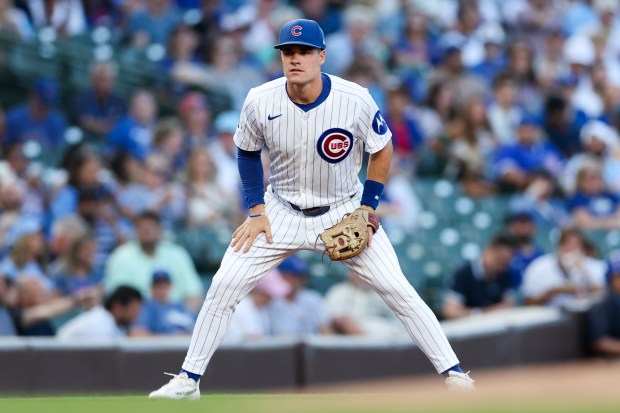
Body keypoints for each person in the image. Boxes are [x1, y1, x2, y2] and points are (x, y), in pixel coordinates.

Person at [148, 19, 475, 400]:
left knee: (398, 289)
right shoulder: (260, 98)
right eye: (288, 52)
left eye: (304, 52)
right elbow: (246, 151)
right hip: (280, 210)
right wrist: (255, 210)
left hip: (342, 208)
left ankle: (455, 375)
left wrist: (368, 208)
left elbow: (382, 148)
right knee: (223, 285)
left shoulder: (355, 99)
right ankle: (189, 380)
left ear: (322, 56)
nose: (295, 58)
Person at [104, 211, 202, 311]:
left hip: (174, 315)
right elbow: (116, 298)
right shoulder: (121, 256)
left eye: (151, 227)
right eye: (142, 227)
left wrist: (181, 317)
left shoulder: (177, 254)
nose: (147, 231)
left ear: (160, 230)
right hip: (136, 318)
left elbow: (194, 295)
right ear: (135, 230)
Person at [521, 228, 606, 307]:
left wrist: (584, 273)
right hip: (550, 317)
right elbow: (527, 302)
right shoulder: (539, 267)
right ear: (559, 246)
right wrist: (549, 294)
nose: (572, 249)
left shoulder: (593, 266)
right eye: (567, 244)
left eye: (576, 245)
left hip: (585, 315)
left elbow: (607, 292)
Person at [442, 234, 518, 319]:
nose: (501, 267)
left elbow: (508, 304)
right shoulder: (464, 273)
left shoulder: (505, 273)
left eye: (505, 263)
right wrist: (482, 313)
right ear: (489, 250)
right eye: (499, 260)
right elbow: (450, 311)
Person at [324, 270, 406, 338]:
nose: (361, 275)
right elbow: (328, 324)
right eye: (356, 271)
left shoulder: (389, 295)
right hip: (353, 346)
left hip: (391, 345)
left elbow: (402, 328)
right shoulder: (338, 292)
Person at [269, 255, 332, 336]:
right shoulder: (270, 300)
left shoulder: (312, 298)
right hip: (278, 347)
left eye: (299, 277)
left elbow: (325, 329)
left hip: (310, 346)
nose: (297, 281)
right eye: (291, 276)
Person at [223, 269, 291, 343]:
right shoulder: (238, 310)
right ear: (257, 291)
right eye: (267, 294)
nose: (271, 298)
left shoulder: (262, 309)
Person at [56, 285, 142, 339]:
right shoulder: (99, 326)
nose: (136, 315)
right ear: (117, 307)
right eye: (133, 309)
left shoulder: (114, 323)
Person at [131, 270, 195, 336]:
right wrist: (169, 339)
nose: (161, 288)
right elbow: (137, 332)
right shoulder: (147, 307)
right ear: (151, 286)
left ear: (170, 285)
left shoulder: (180, 306)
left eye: (164, 285)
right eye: (158, 285)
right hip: (163, 346)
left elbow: (194, 327)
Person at [588, 250, 620, 356]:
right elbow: (600, 342)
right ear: (610, 279)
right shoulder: (601, 305)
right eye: (618, 277)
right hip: (608, 364)